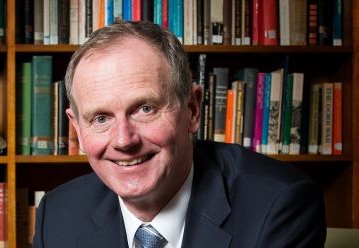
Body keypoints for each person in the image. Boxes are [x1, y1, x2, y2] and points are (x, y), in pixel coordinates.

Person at [34, 20, 326, 247]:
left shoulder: (279, 206)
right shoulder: (58, 215)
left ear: (193, 109)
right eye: (100, 118)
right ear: (78, 129)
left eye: (145, 109)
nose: (124, 140)